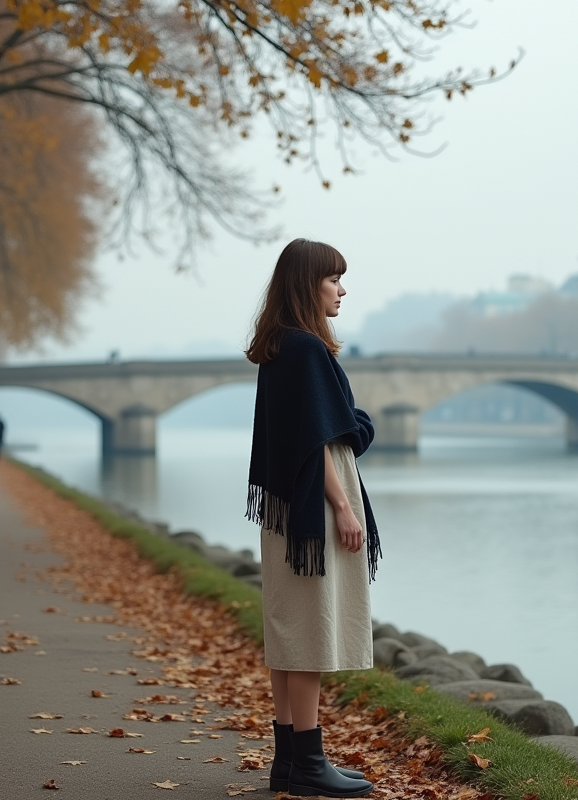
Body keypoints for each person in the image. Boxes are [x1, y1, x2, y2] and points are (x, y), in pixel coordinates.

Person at [245, 239, 379, 799]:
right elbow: (317, 441)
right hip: (313, 507)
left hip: (291, 506)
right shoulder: (305, 350)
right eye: (333, 280)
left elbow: (317, 430)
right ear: (308, 285)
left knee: (292, 627)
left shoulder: (281, 347)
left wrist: (349, 424)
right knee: (308, 631)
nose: (342, 290)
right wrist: (344, 508)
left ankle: (290, 762)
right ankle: (310, 760)